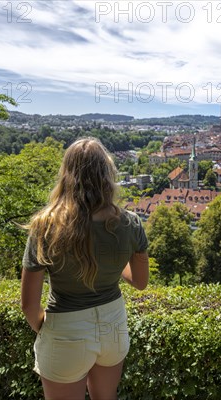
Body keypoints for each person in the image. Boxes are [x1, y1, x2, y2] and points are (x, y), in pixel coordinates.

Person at [21, 137, 149, 400]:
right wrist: (114, 255)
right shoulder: (130, 223)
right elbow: (139, 281)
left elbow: (29, 306)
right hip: (113, 324)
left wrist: (45, 327)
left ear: (66, 175)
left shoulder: (45, 226)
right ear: (108, 174)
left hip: (65, 326)